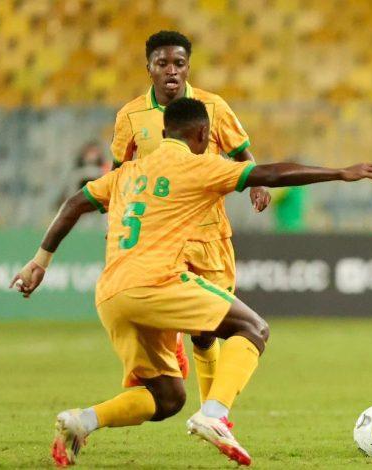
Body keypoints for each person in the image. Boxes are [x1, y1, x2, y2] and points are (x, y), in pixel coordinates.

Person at [12, 98, 372, 467]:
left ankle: (83, 421)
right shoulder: (198, 165)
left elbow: (74, 203)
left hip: (111, 294)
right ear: (202, 134)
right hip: (156, 281)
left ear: (164, 133)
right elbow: (271, 174)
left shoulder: (127, 173)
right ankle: (214, 414)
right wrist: (340, 172)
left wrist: (39, 261)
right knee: (253, 328)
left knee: (167, 397)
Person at [110, 31, 271, 393]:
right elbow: (119, 174)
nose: (171, 70)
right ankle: (201, 401)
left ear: (188, 67)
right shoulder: (131, 116)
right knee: (172, 317)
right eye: (162, 63)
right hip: (160, 239)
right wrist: (117, 218)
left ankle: (209, 410)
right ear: (149, 68)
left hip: (210, 233)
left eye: (179, 63)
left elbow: (241, 153)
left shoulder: (213, 107)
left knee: (208, 331)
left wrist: (257, 185)